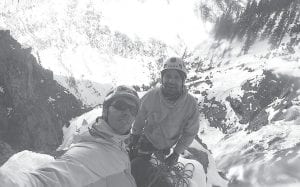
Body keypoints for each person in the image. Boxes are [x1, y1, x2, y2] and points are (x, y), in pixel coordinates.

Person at [0, 85, 140, 187]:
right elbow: (47, 180)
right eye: (120, 105)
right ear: (105, 110)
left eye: (132, 109)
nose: (127, 113)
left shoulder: (115, 142)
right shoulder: (94, 151)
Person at [129, 57, 200, 166]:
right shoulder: (151, 96)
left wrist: (176, 153)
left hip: (167, 146)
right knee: (134, 164)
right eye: (168, 76)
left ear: (183, 81)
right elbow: (140, 116)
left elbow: (190, 132)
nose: (171, 81)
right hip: (147, 139)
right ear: (162, 78)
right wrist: (135, 136)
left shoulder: (190, 105)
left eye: (176, 77)